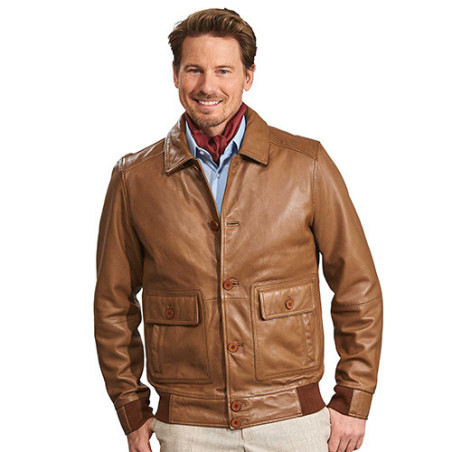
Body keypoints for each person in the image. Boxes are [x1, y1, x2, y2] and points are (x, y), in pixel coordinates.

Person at [93, 8, 383, 452]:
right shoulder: (135, 178)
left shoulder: (307, 165)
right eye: (194, 69)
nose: (208, 86)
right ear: (175, 75)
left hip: (293, 421)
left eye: (223, 70)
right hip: (186, 427)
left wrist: (353, 399)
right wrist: (131, 409)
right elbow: (113, 304)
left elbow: (357, 287)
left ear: (248, 76)